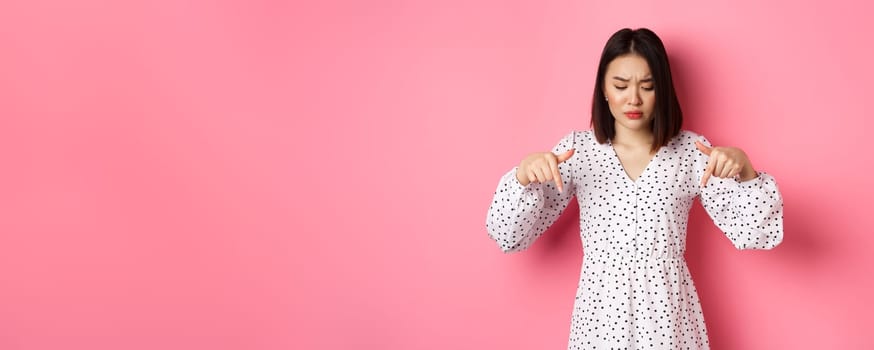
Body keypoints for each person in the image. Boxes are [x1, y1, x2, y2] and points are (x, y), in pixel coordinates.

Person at [485, 28, 783, 349]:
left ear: (663, 90)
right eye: (621, 85)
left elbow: (756, 234)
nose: (634, 99)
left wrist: (746, 169)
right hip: (599, 317)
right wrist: (523, 178)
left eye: (648, 86)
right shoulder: (578, 152)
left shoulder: (691, 153)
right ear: (603, 89)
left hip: (668, 317)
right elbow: (508, 236)